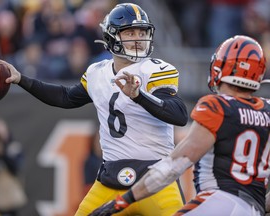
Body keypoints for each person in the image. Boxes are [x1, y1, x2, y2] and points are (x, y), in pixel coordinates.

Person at [0, 3, 188, 215]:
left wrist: (138, 96)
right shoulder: (98, 72)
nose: (138, 38)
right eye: (130, 32)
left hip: (156, 179)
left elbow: (178, 114)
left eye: (142, 32)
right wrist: (22, 79)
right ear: (112, 37)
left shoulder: (155, 70)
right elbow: (65, 97)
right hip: (111, 180)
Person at [89, 35, 270, 216]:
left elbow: (172, 167)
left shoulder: (218, 107)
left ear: (220, 66)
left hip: (219, 201)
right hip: (254, 208)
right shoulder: (267, 110)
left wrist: (122, 201)